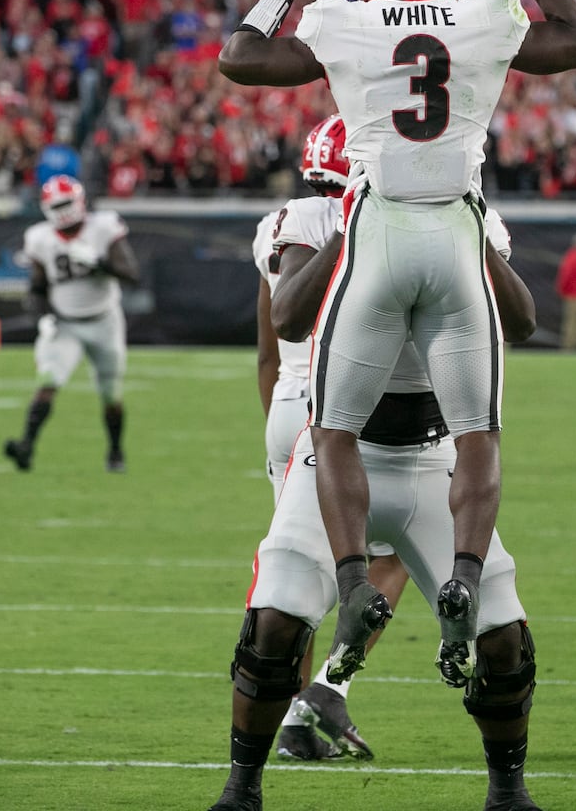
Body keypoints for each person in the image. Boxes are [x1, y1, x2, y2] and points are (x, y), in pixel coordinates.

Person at [218, 0, 576, 688]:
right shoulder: (484, 17)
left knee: (328, 433)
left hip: (379, 228)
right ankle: (463, 571)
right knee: (478, 430)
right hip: (457, 226)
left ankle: (352, 583)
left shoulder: (347, 22)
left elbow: (240, 56)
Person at [207, 194, 542, 811]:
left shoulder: (472, 219)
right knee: (275, 617)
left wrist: (471, 237)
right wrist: (355, 227)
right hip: (336, 445)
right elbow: (288, 321)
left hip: (435, 451)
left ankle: (508, 793)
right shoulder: (320, 218)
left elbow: (521, 327)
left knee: (503, 638)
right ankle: (241, 790)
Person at [252, 114, 389, 761]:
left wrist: (275, 434)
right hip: (345, 407)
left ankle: (288, 714)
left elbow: (268, 350)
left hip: (286, 404)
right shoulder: (373, 223)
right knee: (384, 560)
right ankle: (322, 691)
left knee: (295, 570)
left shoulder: (281, 224)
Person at [3, 174, 140, 473]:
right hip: (65, 323)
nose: (64, 211)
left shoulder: (103, 228)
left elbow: (131, 273)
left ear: (80, 201)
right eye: (58, 205)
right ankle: (26, 445)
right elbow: (37, 289)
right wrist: (43, 318)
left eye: (67, 203)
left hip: (105, 321)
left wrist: (100, 263)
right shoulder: (40, 238)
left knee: (110, 393)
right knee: (48, 381)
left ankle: (115, 451)